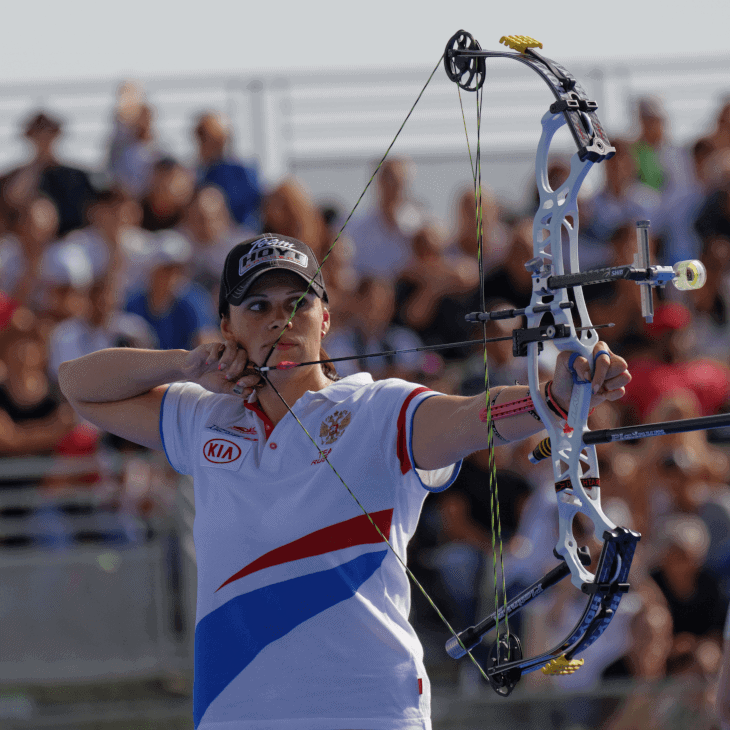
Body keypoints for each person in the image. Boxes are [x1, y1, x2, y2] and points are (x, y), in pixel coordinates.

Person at [58, 233, 631, 730]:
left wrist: (552, 397)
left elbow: (467, 418)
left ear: (325, 318)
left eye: (297, 302)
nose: (279, 319)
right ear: (227, 327)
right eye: (256, 306)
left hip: (366, 709)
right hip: (234, 712)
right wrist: (181, 363)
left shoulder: (377, 408)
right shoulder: (202, 415)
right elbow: (77, 384)